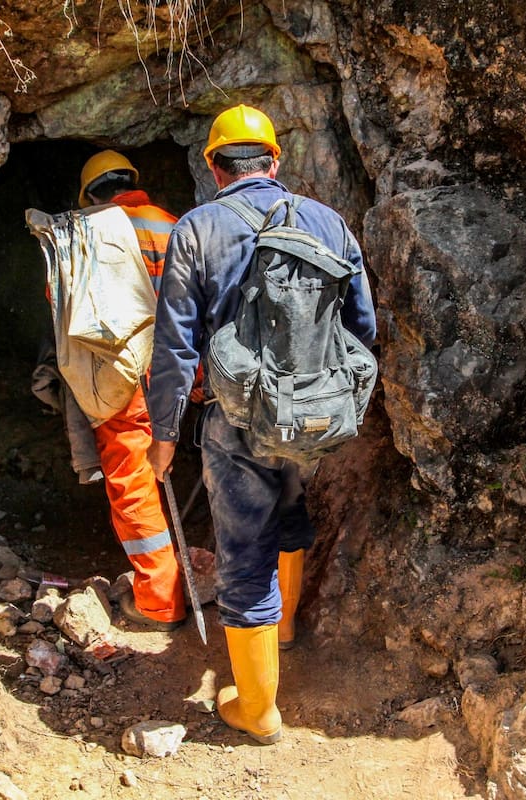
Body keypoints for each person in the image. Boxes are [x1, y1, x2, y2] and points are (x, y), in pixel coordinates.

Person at [145, 106, 377, 744]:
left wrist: (163, 437)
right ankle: (288, 627)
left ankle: (258, 709)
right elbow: (363, 327)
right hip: (312, 414)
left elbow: (175, 346)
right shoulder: (328, 222)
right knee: (291, 514)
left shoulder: (196, 228)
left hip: (236, 418)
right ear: (275, 162)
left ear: (213, 166)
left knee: (243, 552)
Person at [46, 150, 186, 631]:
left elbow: (66, 309)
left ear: (89, 194)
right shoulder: (175, 225)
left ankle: (158, 601)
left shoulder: (88, 231)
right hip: (184, 370)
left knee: (133, 483)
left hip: (125, 378)